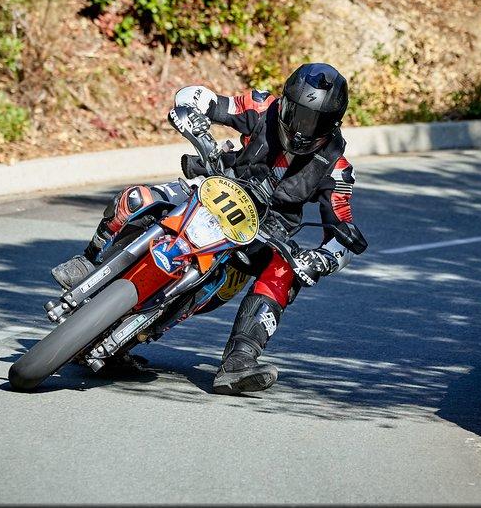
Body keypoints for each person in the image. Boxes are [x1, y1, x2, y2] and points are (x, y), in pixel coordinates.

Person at [51, 63, 359, 394]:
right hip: (215, 187)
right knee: (138, 198)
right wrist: (193, 115)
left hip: (260, 235)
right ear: (284, 102)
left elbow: (342, 231)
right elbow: (201, 97)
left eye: (315, 121)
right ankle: (90, 260)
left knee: (286, 270)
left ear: (333, 124)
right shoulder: (262, 107)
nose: (302, 128)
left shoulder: (337, 168)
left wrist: (322, 258)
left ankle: (239, 361)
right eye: (298, 114)